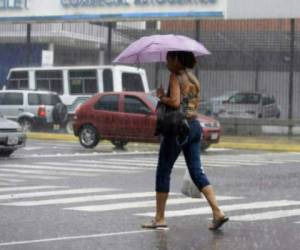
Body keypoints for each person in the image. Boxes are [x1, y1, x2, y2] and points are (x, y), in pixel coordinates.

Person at [142, 51, 228, 231]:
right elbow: (188, 102)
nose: (166, 63)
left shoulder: (175, 76)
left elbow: (174, 102)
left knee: (163, 170)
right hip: (195, 126)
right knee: (196, 171)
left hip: (177, 129)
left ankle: (159, 218)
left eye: (168, 59)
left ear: (176, 60)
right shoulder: (193, 78)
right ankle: (217, 211)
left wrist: (160, 96)